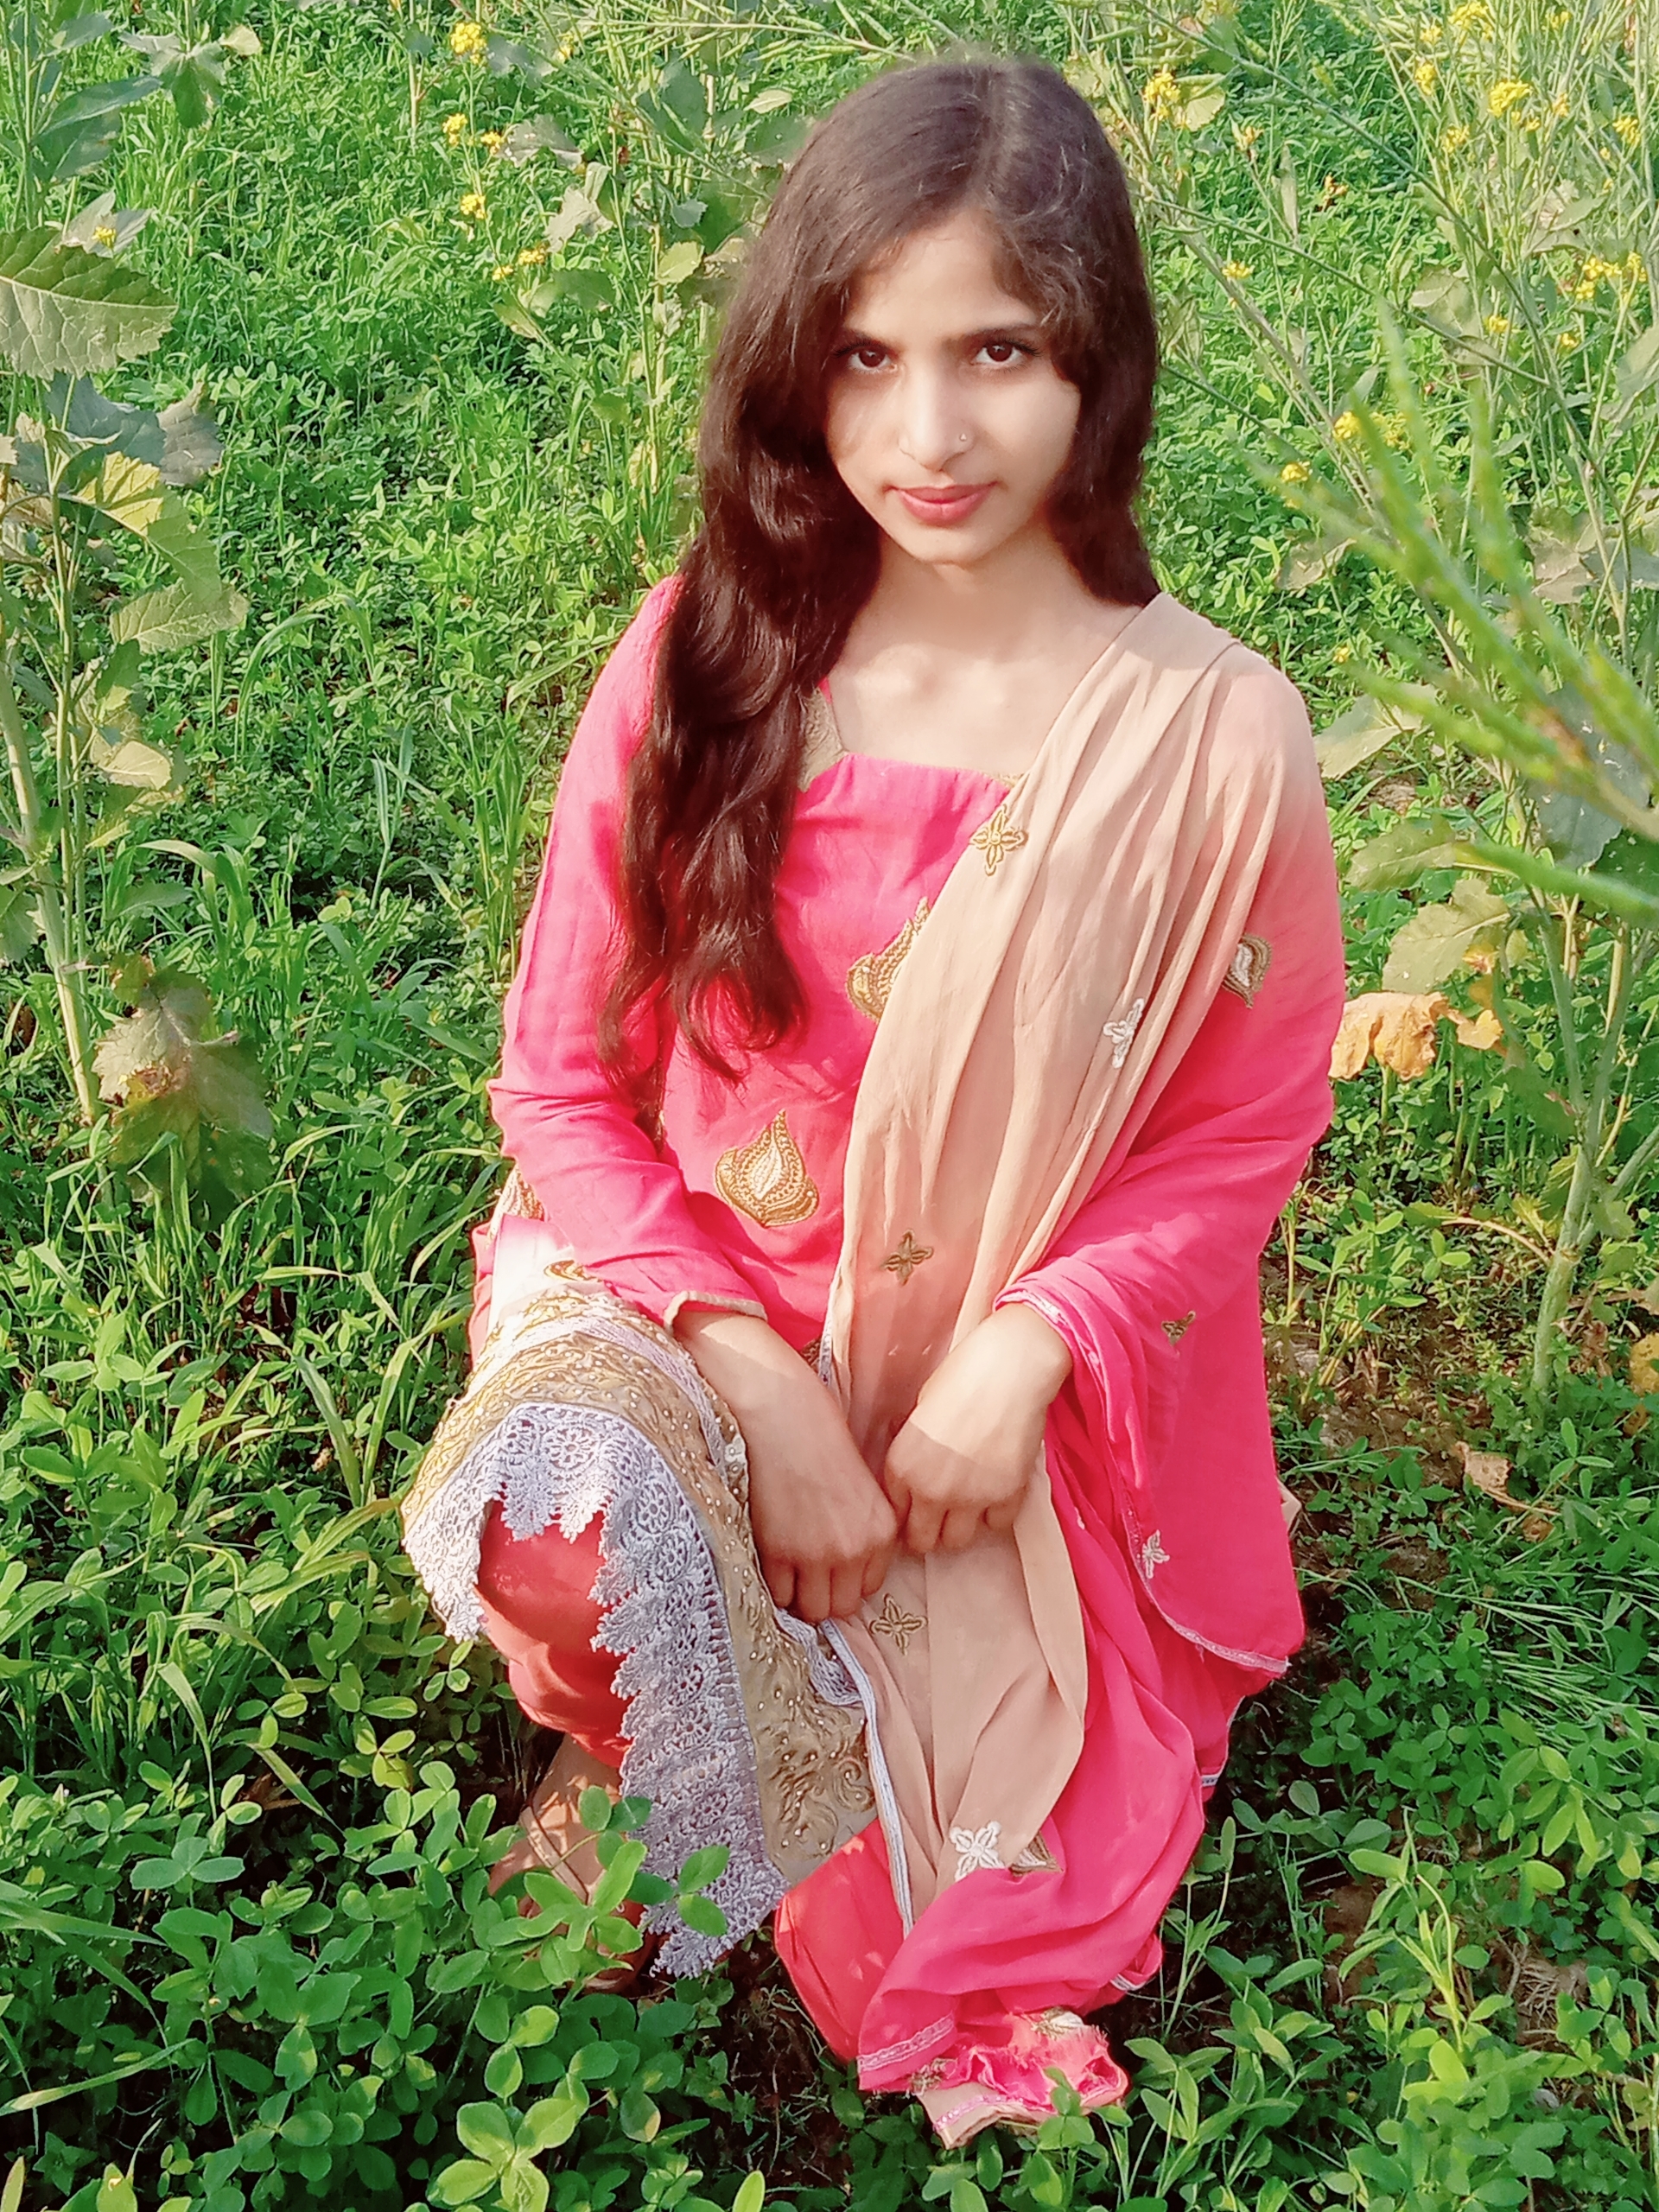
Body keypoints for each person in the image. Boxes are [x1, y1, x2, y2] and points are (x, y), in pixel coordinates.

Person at [403, 54, 1344, 2146]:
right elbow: (559, 1083)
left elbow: (1241, 1126)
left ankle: (763, 1738)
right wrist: (754, 1383)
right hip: (692, 1291)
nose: (929, 435)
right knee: (565, 1538)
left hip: (990, 1392)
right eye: (866, 356)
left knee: (989, 1893)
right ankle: (654, 1735)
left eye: (997, 351)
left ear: (1097, 360)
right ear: (795, 368)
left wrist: (1028, 1348)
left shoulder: (1211, 737)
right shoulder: (705, 660)